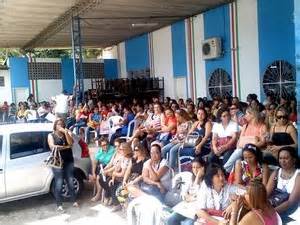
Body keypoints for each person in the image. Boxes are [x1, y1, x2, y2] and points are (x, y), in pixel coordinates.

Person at [47, 119, 78, 212]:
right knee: (59, 183)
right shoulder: (51, 135)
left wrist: (66, 132)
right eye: (58, 124)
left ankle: (73, 200)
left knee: (70, 181)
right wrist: (65, 147)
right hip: (57, 162)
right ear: (55, 125)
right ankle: (59, 204)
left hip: (69, 160)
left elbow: (71, 143)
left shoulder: (66, 133)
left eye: (62, 124)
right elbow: (52, 146)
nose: (60, 126)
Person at [224, 107, 267, 172]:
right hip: (243, 149)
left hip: (256, 149)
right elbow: (240, 140)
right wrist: (239, 146)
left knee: (238, 152)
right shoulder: (245, 126)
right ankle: (231, 174)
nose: (245, 116)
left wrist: (251, 146)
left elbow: (263, 142)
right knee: (237, 158)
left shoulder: (262, 126)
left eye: (246, 114)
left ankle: (225, 170)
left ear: (252, 115)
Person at [166, 158, 206, 225]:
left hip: (197, 210)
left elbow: (197, 196)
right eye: (193, 167)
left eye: (198, 168)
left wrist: (198, 178)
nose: (195, 170)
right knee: (170, 220)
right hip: (186, 207)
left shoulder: (206, 181)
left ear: (203, 168)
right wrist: (188, 197)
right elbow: (184, 194)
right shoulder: (190, 178)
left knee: (187, 224)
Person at [266, 146, 300, 222]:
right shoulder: (277, 172)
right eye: (280, 158)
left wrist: (272, 212)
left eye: (286, 158)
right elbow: (266, 193)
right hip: (274, 205)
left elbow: (291, 202)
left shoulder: (298, 176)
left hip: (291, 211)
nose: (282, 161)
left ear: (294, 159)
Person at [90, 137, 115, 202]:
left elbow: (113, 161)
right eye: (103, 145)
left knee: (99, 177)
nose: (105, 146)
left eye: (106, 144)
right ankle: (99, 194)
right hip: (101, 167)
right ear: (100, 146)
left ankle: (98, 194)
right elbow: (94, 163)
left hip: (110, 167)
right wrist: (93, 173)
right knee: (95, 176)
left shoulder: (112, 149)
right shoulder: (99, 151)